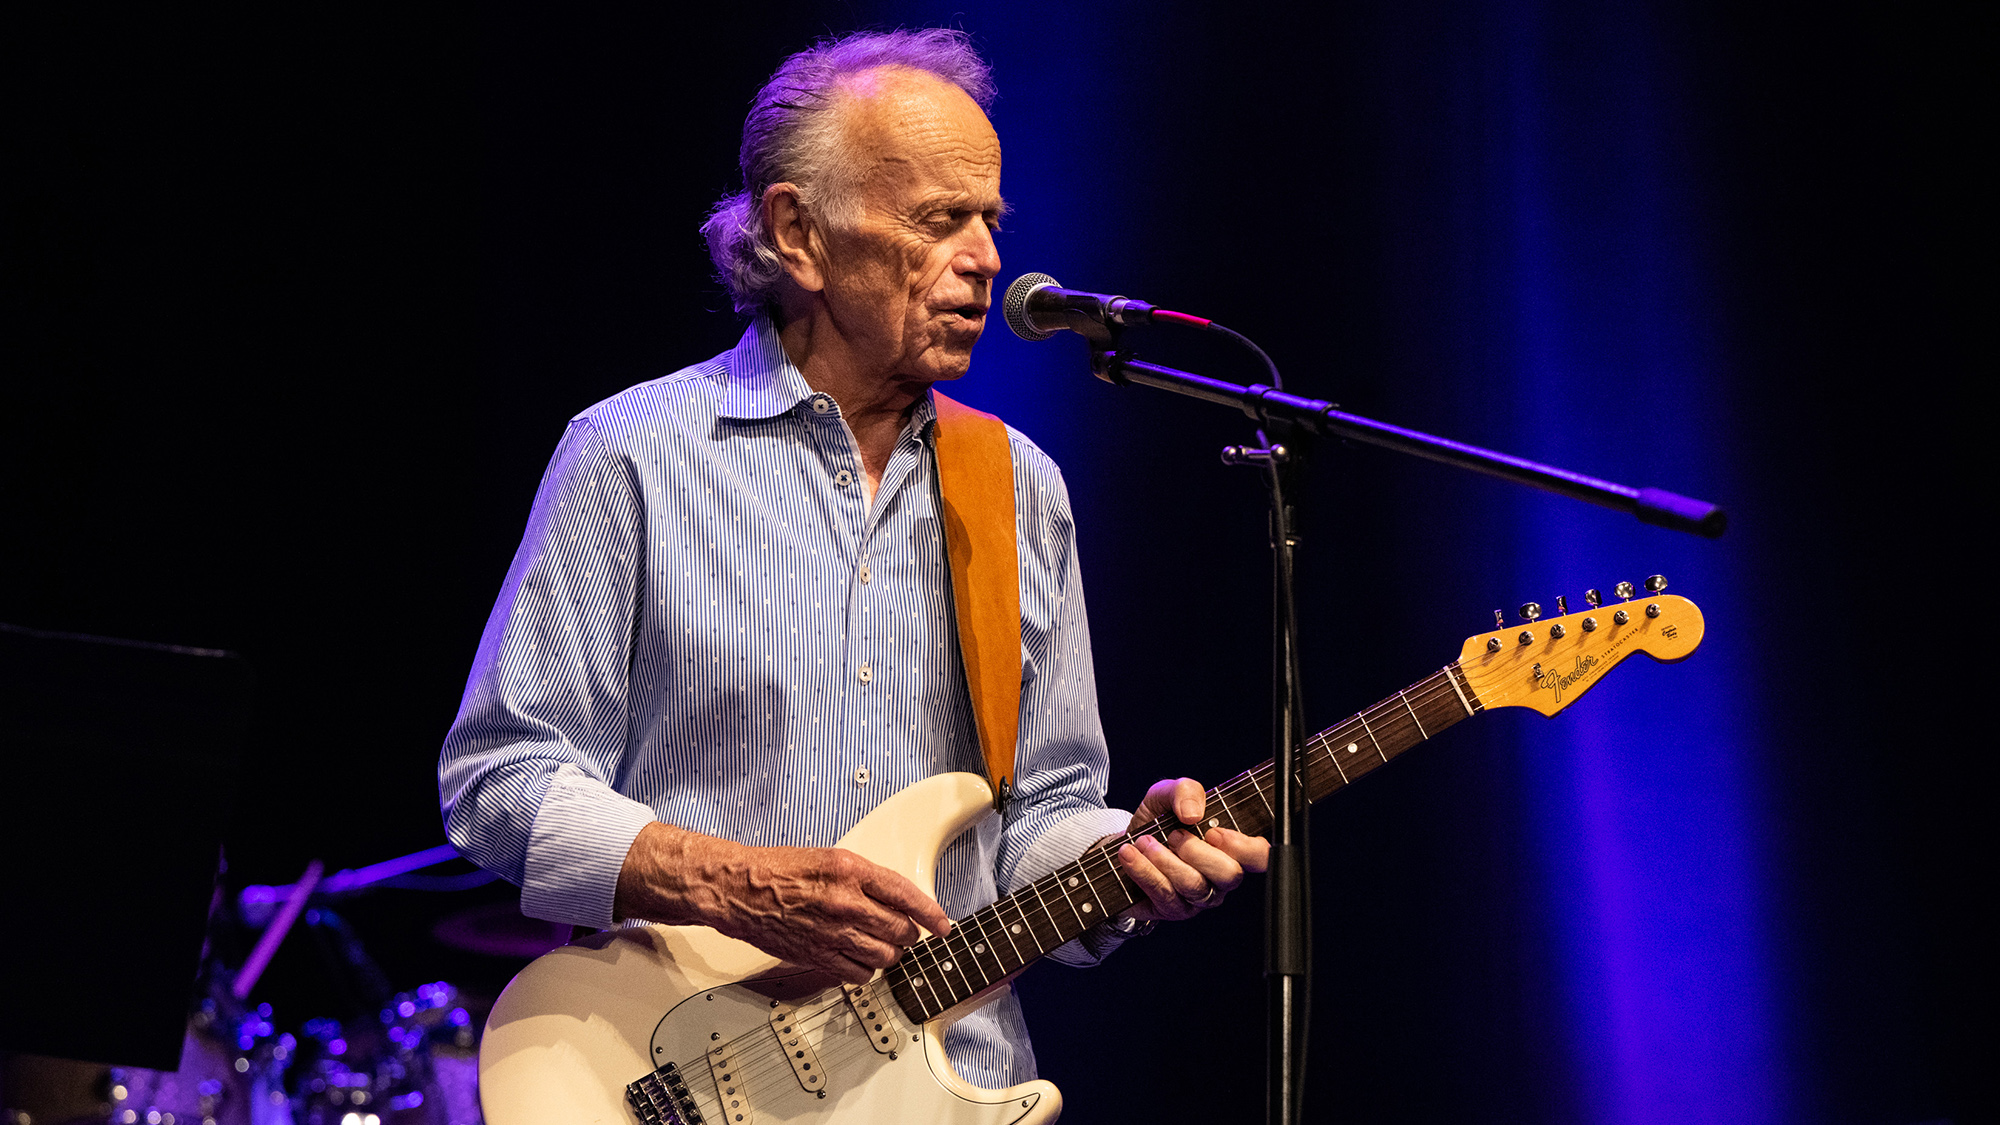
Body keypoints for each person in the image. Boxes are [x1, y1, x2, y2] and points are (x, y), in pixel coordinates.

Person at [439, 28, 1268, 1088]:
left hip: (948, 1080)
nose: (985, 258)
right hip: (685, 1070)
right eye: (937, 221)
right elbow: (501, 780)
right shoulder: (629, 454)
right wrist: (732, 881)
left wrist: (1128, 858)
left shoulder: (1018, 485)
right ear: (798, 233)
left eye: (988, 220)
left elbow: (1038, 819)